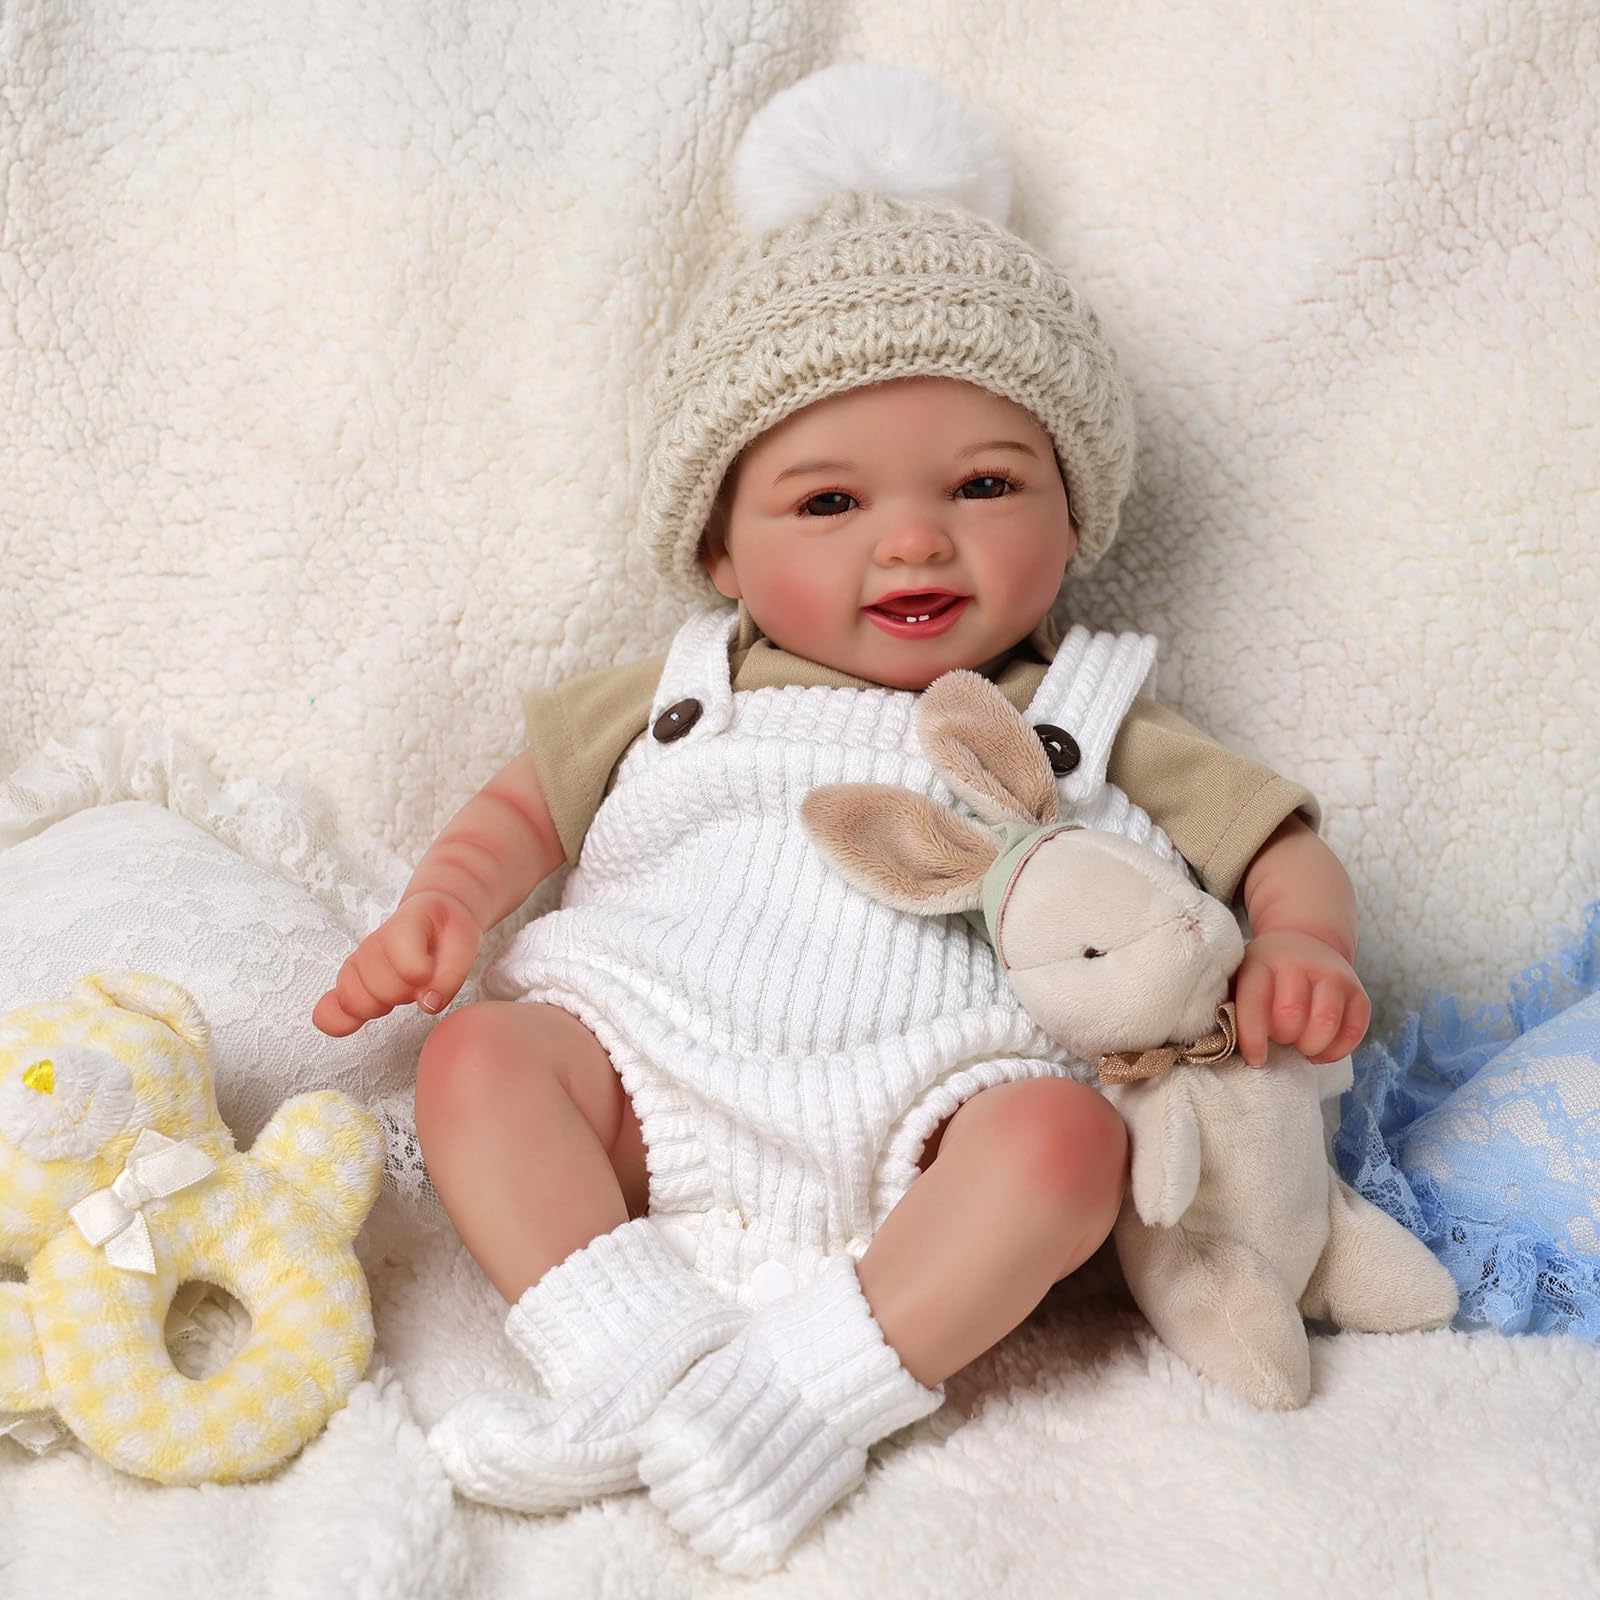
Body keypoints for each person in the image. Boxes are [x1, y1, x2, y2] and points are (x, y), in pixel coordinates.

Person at [312, 63, 1370, 1575]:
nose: (914, 541)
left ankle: (805, 1398)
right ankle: (629, 1354)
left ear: (1075, 511)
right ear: (720, 551)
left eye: (985, 484)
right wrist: (446, 903)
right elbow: (514, 814)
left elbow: (1275, 842)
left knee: (1067, 1149)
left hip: (937, 1119)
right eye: (827, 504)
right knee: (478, 1058)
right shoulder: (679, 692)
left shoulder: (1089, 705)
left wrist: (1303, 941)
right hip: (650, 1065)